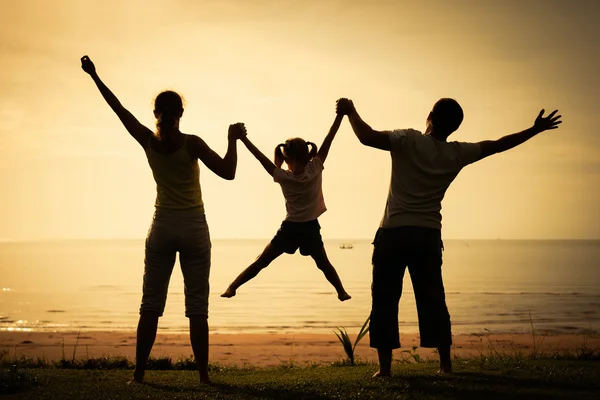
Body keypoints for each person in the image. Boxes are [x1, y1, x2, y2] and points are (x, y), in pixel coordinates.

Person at [336, 97, 561, 377]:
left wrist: (350, 112)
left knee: (384, 299)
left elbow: (367, 137)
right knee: (433, 299)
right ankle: (445, 365)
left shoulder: (407, 139)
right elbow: (498, 144)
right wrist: (534, 129)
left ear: (429, 115)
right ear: (454, 127)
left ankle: (385, 370)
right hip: (428, 236)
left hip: (393, 233)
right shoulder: (456, 154)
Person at [80, 55, 247, 384]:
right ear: (181, 113)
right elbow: (228, 173)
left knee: (151, 303)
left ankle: (139, 376)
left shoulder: (148, 141)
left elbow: (119, 111)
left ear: (156, 114)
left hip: (162, 227)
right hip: (195, 228)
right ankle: (203, 378)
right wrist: (232, 139)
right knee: (197, 306)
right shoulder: (193, 143)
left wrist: (95, 75)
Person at [221, 105, 351, 302]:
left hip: (290, 228)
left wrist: (243, 139)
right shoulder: (315, 167)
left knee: (262, 261)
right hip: (309, 228)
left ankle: (232, 286)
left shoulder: (281, 175)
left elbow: (259, 157)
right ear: (308, 155)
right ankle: (341, 291)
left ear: (286, 157)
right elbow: (329, 138)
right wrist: (341, 115)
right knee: (324, 264)